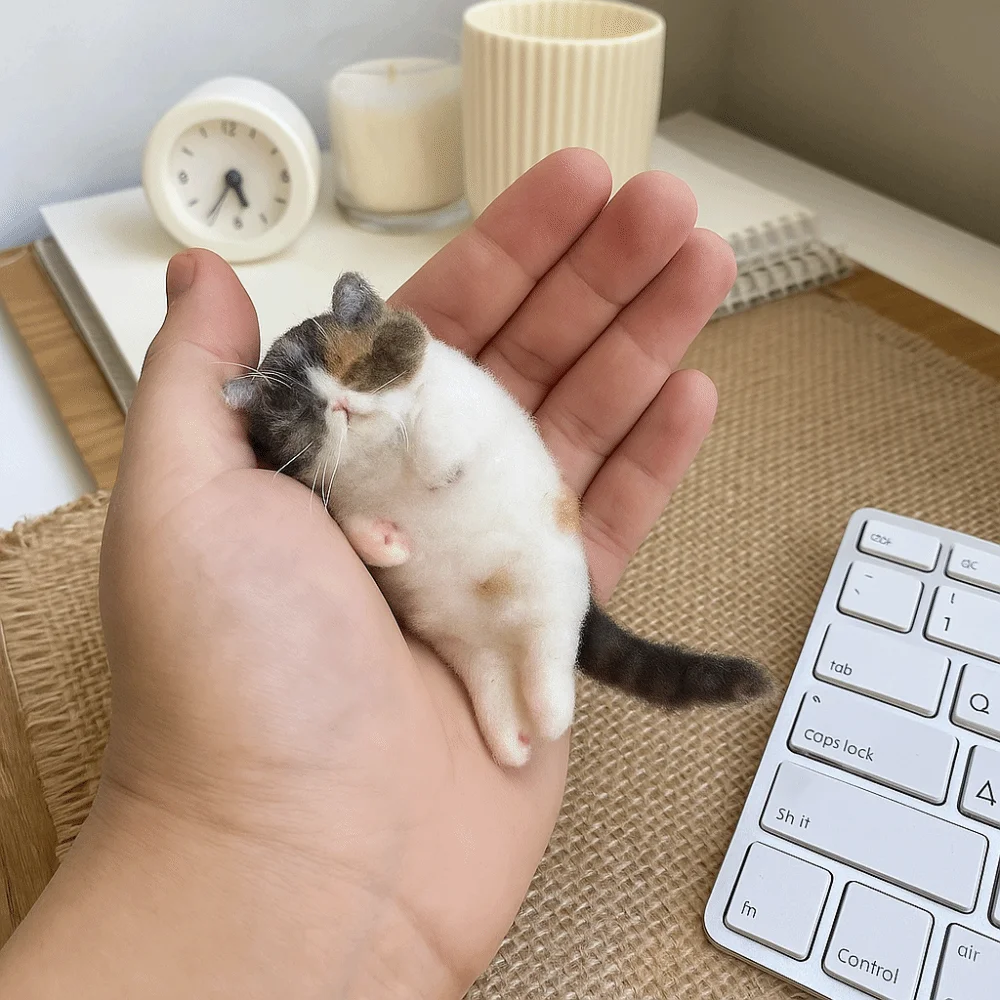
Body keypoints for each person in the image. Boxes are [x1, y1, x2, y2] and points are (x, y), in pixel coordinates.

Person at [0, 149, 735, 998]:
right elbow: (363, 536)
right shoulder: (335, 484)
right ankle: (508, 702)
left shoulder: (443, 385)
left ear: (380, 331)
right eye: (315, 411)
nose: (344, 407)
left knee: (545, 619)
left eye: (349, 377)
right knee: (476, 651)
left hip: (528, 546)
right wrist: (362, 532)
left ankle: (541, 676)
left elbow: (454, 447)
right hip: (451, 606)